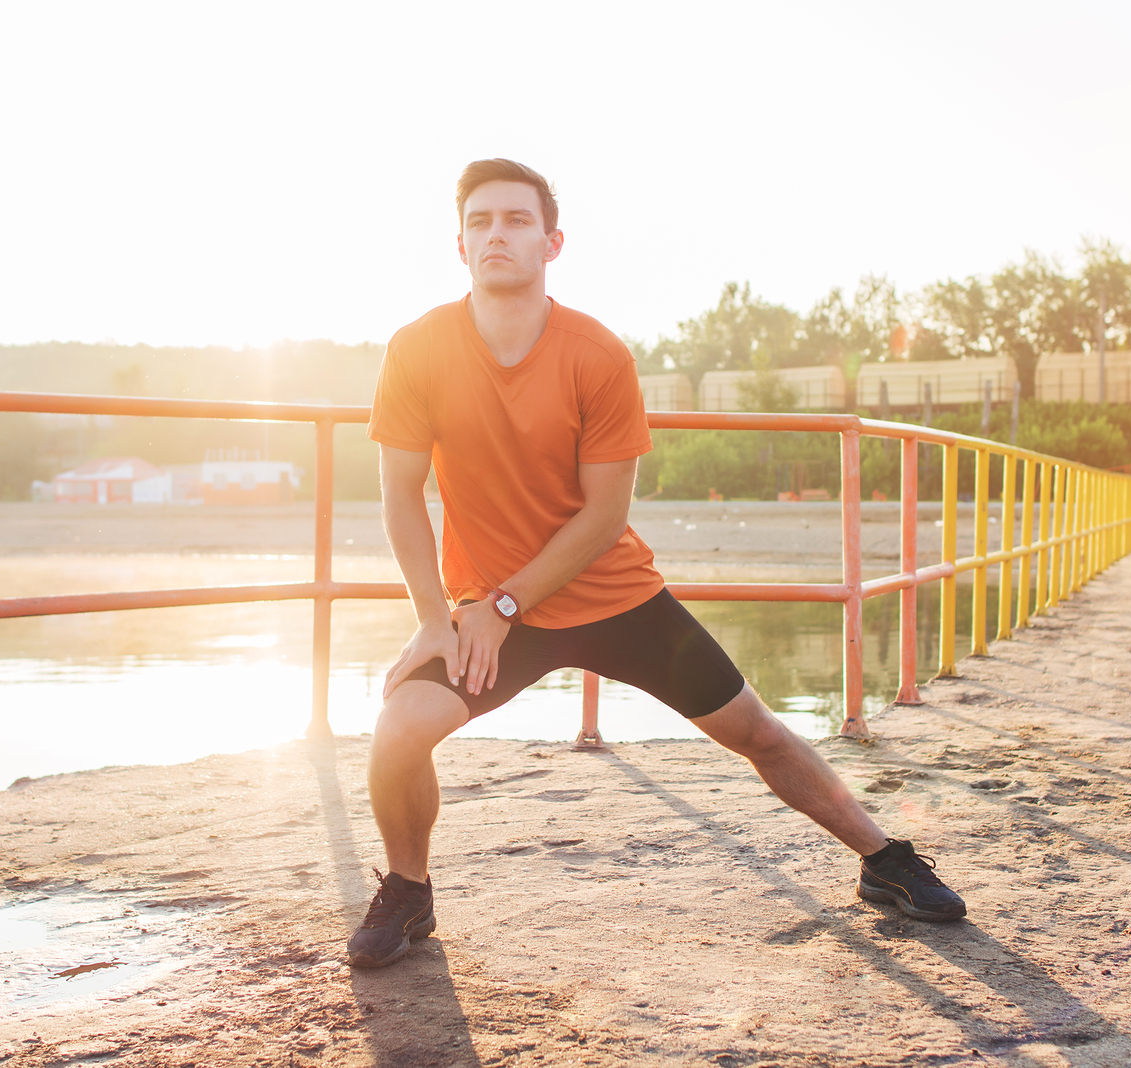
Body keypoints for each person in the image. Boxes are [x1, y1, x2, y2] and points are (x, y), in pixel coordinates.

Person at [348, 159, 965, 969]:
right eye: (480, 222)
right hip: (490, 613)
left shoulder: (596, 354)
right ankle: (409, 889)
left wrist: (499, 607)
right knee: (397, 729)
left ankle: (885, 860)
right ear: (459, 244)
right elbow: (400, 495)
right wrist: (438, 619)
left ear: (552, 242)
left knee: (756, 731)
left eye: (517, 220)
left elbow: (604, 516)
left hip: (609, 599)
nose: (497, 234)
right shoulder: (419, 349)